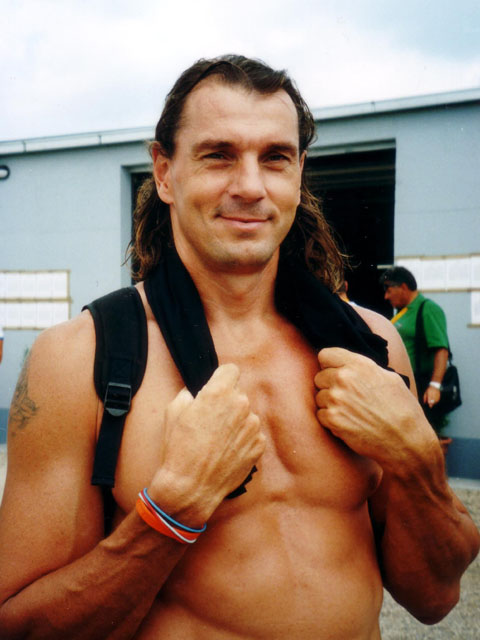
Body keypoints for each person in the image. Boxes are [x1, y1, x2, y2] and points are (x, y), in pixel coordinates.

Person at [0, 55, 478, 640]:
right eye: (218, 155)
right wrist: (171, 511)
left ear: (299, 174)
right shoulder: (82, 360)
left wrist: (417, 459)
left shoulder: (370, 345)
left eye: (275, 157)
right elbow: (19, 627)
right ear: (165, 173)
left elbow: (435, 599)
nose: (250, 187)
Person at [380, 266, 450, 433]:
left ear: (403, 287)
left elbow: (441, 349)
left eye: (389, 290)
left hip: (420, 386)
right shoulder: (403, 312)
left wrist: (434, 386)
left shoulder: (428, 309)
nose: (386, 296)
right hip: (402, 387)